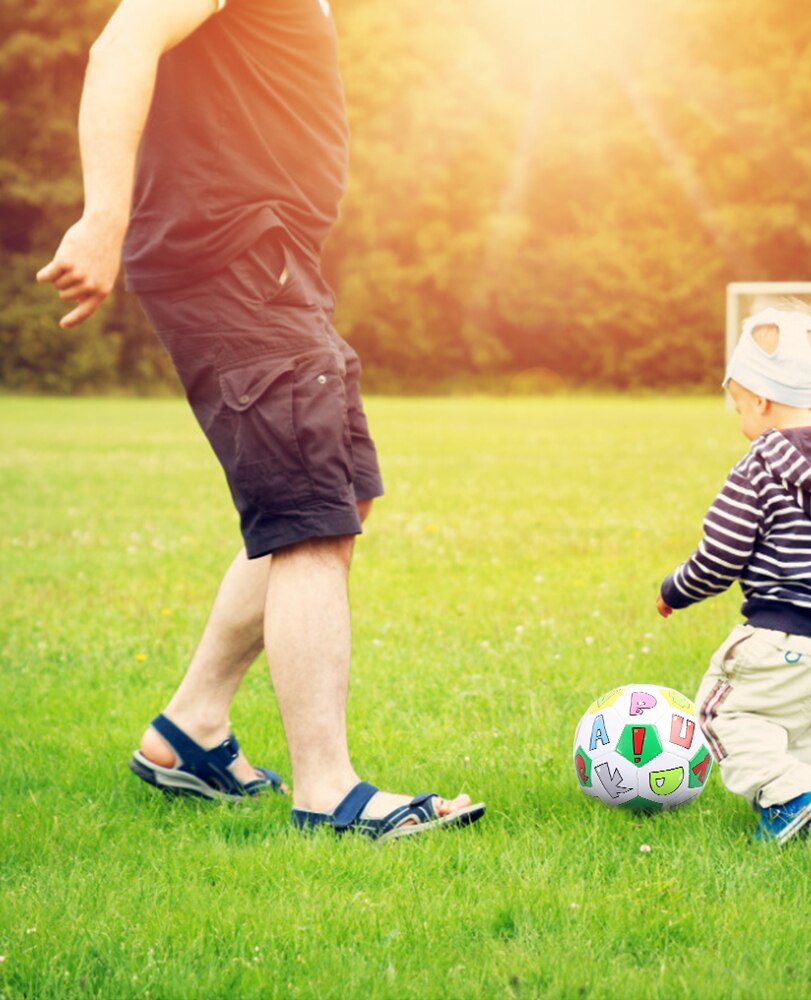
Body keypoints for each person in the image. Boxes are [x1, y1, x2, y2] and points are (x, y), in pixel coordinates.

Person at [37, 0, 483, 841]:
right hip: (238, 257)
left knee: (338, 499)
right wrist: (104, 214)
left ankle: (190, 729)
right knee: (312, 522)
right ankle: (328, 792)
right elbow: (123, 40)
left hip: (270, 263)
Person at [655, 306, 811, 844]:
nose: (741, 417)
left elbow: (721, 556)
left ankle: (788, 797)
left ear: (762, 401)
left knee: (721, 716)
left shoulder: (759, 467)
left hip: (784, 640)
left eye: (740, 405)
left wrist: (674, 590)